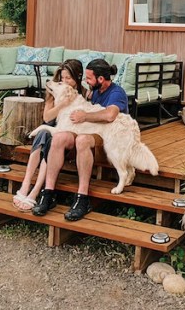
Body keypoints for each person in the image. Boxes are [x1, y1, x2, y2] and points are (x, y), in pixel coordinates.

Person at [33, 58, 128, 220]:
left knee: (82, 140)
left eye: (89, 78)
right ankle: (48, 192)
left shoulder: (116, 92)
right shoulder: (94, 92)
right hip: (90, 131)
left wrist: (85, 115)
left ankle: (82, 198)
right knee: (59, 138)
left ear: (100, 79)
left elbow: (110, 115)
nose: (86, 81)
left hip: (109, 138)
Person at [12, 59, 85, 211]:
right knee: (44, 132)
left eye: (68, 79)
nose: (64, 81)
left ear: (78, 77)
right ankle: (26, 184)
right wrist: (63, 104)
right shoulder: (54, 88)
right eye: (62, 78)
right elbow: (47, 117)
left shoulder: (84, 92)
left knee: (49, 139)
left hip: (67, 132)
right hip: (52, 126)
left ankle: (36, 190)